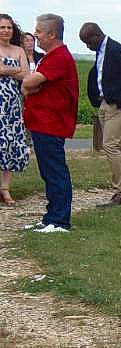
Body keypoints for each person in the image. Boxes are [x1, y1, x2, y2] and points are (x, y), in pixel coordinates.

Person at [21, 13, 78, 232]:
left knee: (55, 171)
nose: (35, 35)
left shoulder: (59, 57)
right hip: (42, 122)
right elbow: (32, 85)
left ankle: (60, 220)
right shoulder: (49, 57)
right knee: (49, 171)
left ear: (52, 34)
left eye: (39, 32)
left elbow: (30, 81)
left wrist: (29, 85)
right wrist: (30, 86)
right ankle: (51, 217)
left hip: (51, 123)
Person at [79, 22, 121, 207]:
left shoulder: (115, 50)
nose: (88, 47)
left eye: (88, 42)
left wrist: (117, 101)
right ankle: (120, 192)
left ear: (97, 36)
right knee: (114, 147)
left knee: (109, 146)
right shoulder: (102, 51)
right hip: (106, 103)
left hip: (117, 106)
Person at [0, 14, 30, 207]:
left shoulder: (19, 49)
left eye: (9, 27)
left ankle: (5, 188)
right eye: (2, 27)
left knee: (10, 144)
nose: (5, 31)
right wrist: (15, 70)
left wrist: (7, 70)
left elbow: (26, 74)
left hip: (12, 103)